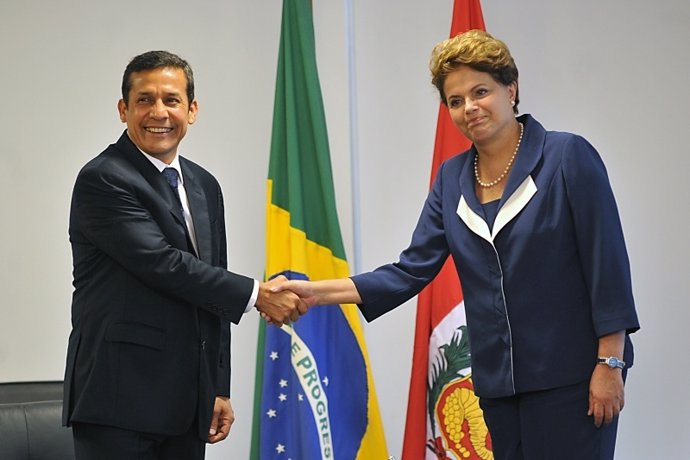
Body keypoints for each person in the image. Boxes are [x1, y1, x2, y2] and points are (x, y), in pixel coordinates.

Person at [271, 30, 640, 460]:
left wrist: (609, 364)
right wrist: (316, 293)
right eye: (456, 100)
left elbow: (606, 264)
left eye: (480, 92)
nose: (470, 108)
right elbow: (410, 270)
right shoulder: (452, 179)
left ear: (511, 88)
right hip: (499, 386)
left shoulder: (566, 156)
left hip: (572, 379)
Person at [62, 50, 304, 460]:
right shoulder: (103, 178)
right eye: (144, 100)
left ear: (191, 111)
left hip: (186, 404)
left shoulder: (204, 185)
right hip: (118, 402)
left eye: (171, 100)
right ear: (124, 110)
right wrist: (258, 294)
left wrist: (217, 386)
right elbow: (164, 264)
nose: (159, 112)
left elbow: (210, 282)